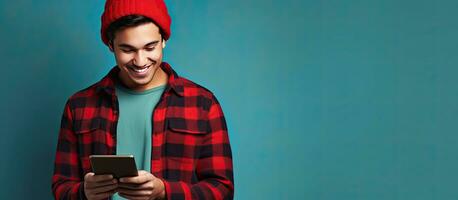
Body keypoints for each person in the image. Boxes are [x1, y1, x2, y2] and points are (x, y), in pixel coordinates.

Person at [52, 0, 234, 199]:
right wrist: (83, 192)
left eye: (150, 47)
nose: (140, 61)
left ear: (163, 40)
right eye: (128, 50)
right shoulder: (79, 106)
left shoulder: (203, 104)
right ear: (111, 45)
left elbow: (222, 190)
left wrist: (165, 192)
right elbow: (61, 187)